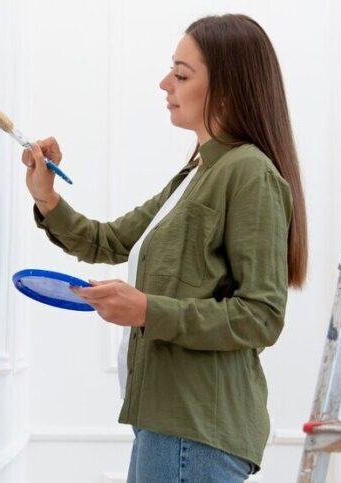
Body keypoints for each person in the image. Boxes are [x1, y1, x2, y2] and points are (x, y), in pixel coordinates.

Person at [22, 13, 308, 483]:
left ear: (228, 88)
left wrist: (147, 310)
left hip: (193, 433)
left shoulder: (248, 173)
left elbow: (262, 315)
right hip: (167, 425)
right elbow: (108, 240)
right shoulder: (195, 174)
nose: (164, 84)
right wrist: (45, 196)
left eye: (180, 74)